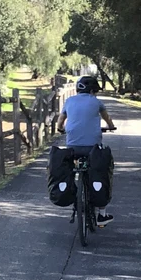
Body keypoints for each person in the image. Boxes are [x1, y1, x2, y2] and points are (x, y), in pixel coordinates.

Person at [56, 74, 117, 225]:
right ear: (92, 91)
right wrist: (110, 127)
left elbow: (60, 120)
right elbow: (107, 119)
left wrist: (60, 129)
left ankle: (77, 197)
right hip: (92, 149)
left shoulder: (69, 101)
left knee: (74, 169)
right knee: (101, 172)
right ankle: (102, 214)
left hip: (73, 147)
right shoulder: (96, 102)